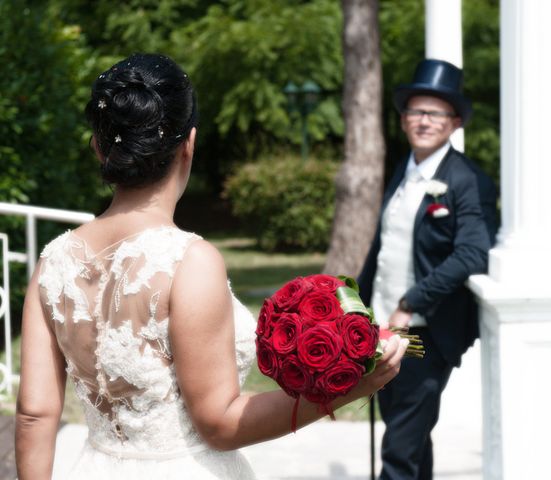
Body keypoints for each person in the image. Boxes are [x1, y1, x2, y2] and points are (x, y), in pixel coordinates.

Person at [15, 53, 408, 480]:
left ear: (99, 148)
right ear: (190, 143)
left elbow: (34, 414)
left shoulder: (52, 261)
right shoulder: (188, 261)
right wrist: (349, 387)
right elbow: (220, 423)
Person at [358, 58, 498, 480]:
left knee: (400, 447)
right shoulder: (404, 169)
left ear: (454, 122)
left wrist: (410, 301)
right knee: (410, 435)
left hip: (424, 332)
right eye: (415, 111)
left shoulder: (466, 180)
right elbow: (383, 245)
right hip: (383, 323)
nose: (422, 120)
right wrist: (357, 305)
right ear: (403, 120)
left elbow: (473, 254)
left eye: (434, 113)